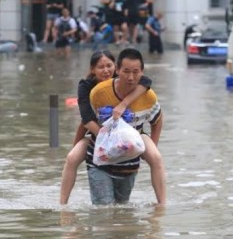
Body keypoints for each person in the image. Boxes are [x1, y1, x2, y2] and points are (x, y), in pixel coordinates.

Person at [59, 50, 166, 205]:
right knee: (71, 158)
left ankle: (162, 205)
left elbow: (146, 83)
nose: (106, 71)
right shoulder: (90, 89)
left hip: (134, 132)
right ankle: (63, 205)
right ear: (92, 70)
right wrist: (106, 137)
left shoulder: (135, 85)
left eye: (109, 66)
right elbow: (85, 120)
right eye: (100, 67)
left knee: (156, 157)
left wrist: (123, 104)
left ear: (115, 67)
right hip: (98, 132)